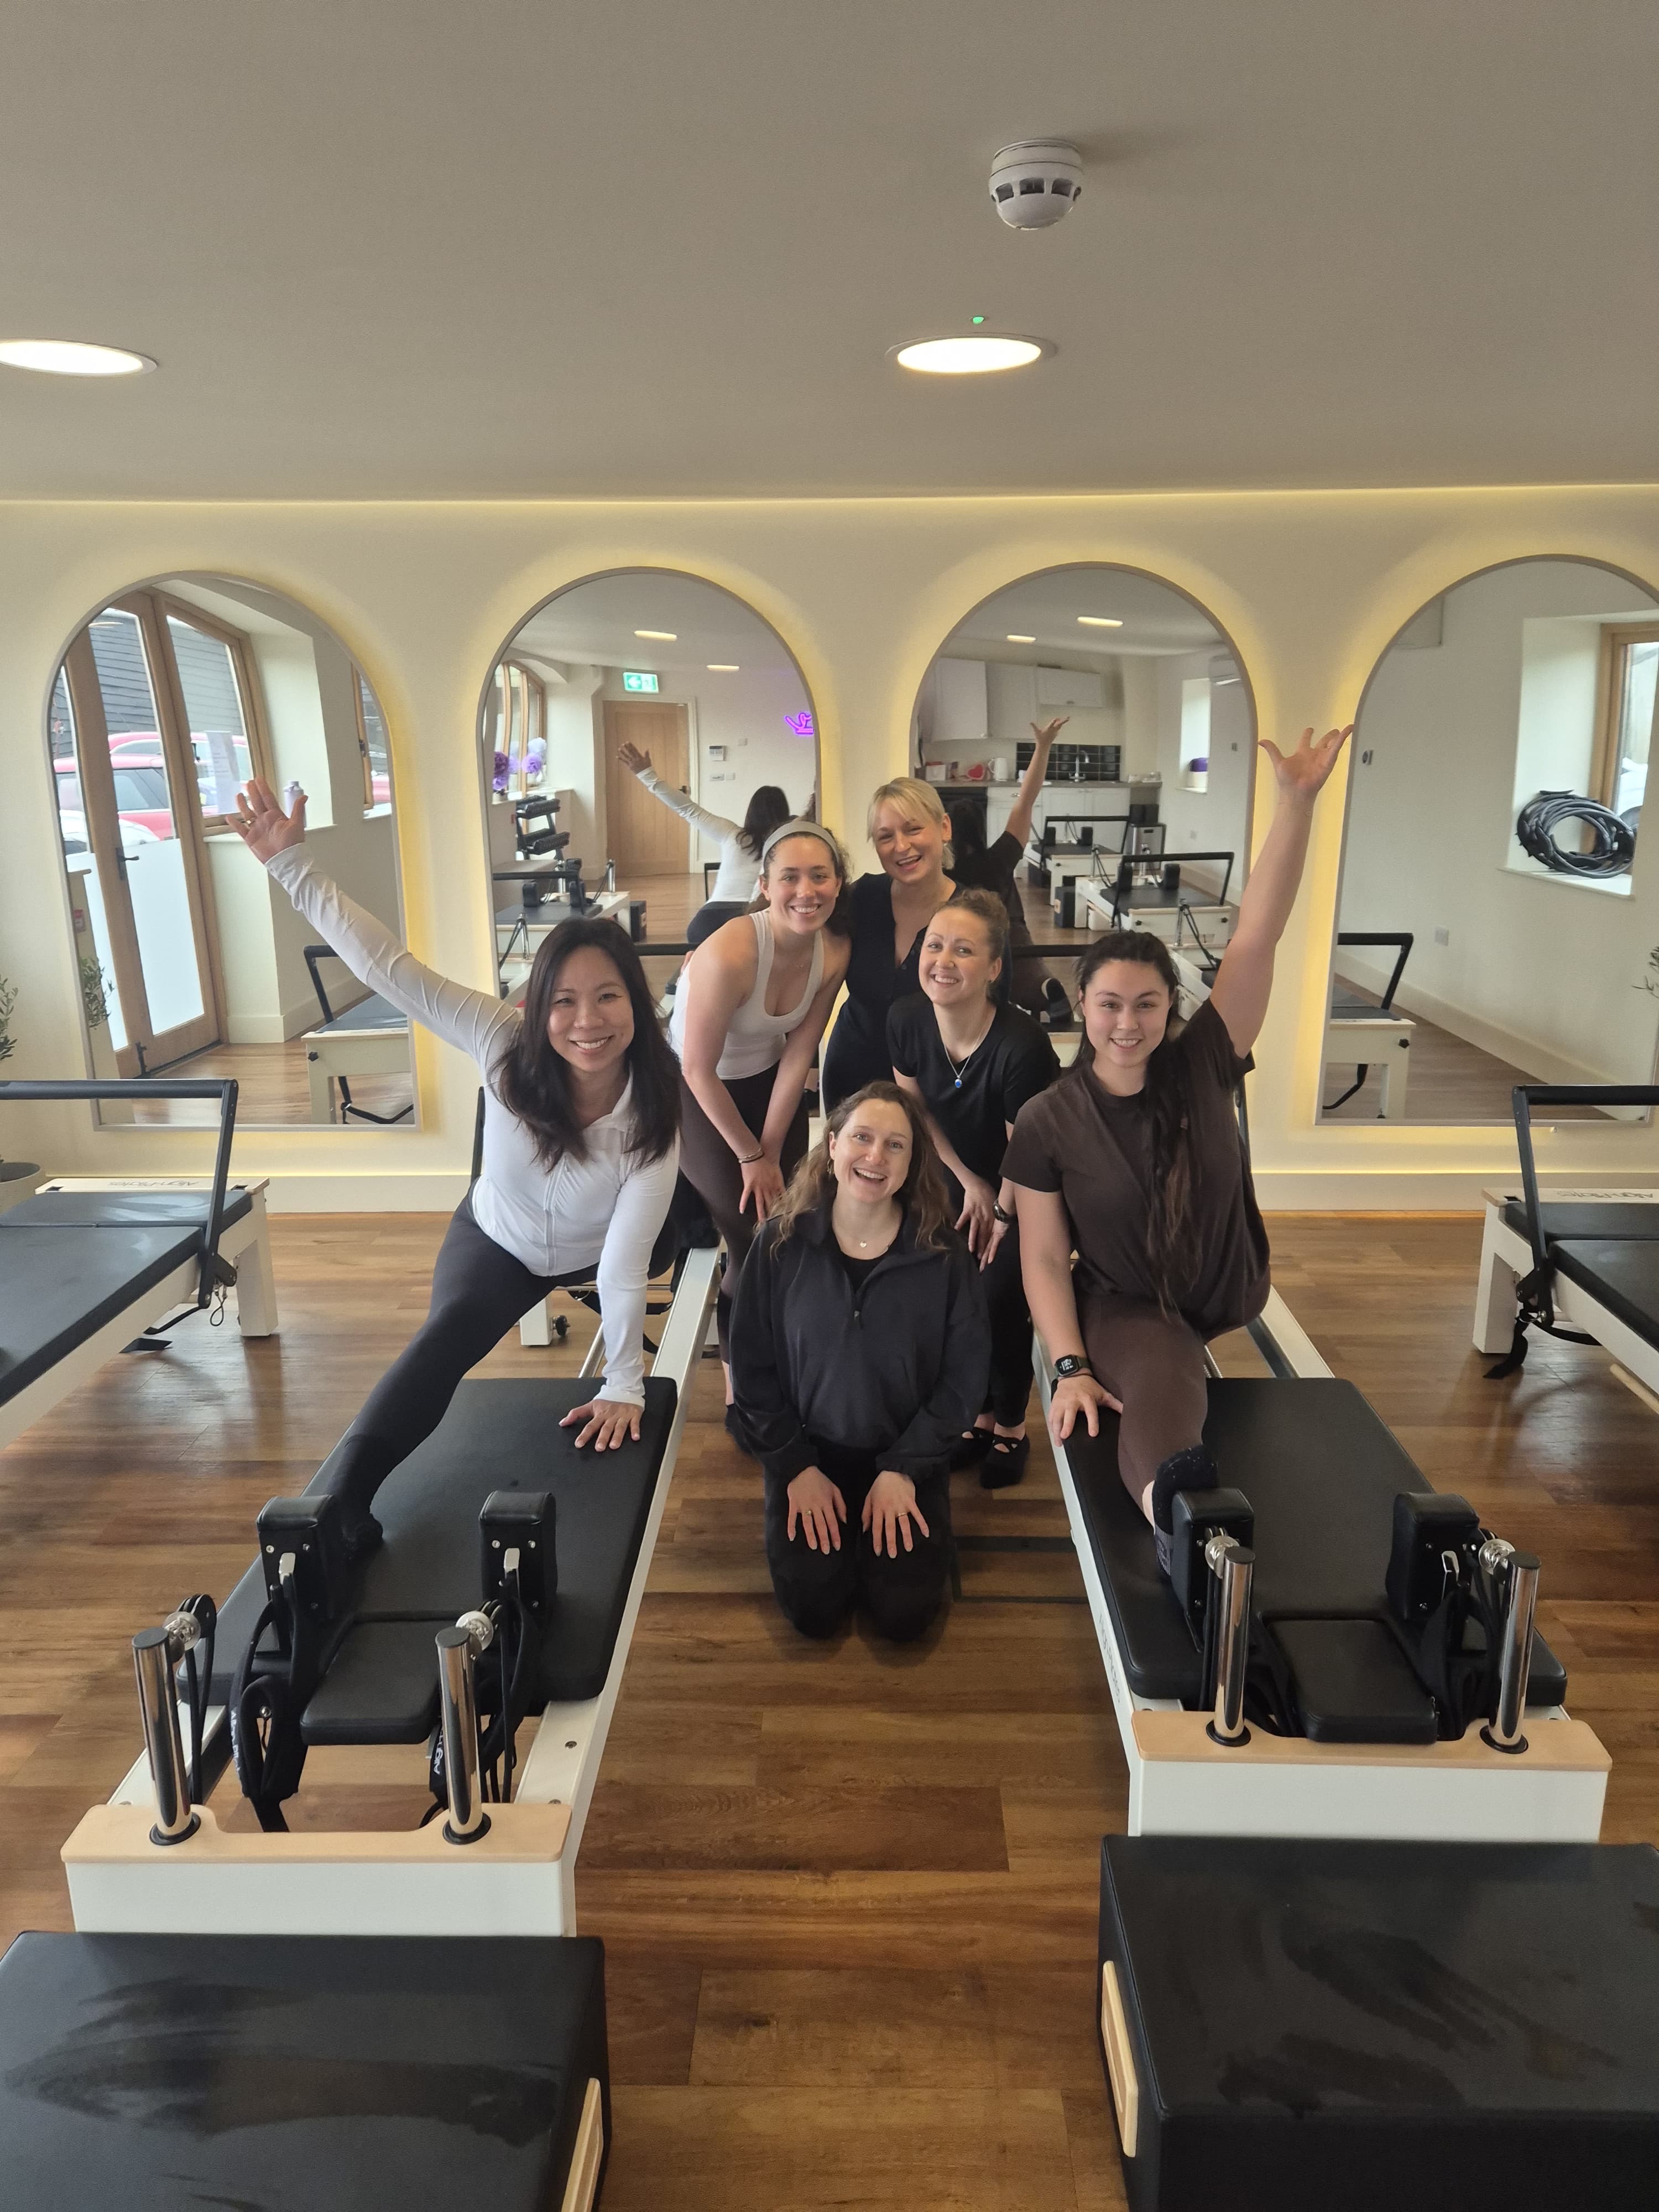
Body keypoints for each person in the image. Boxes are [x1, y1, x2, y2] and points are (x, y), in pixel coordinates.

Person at [229, 776, 682, 1555]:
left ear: (636, 1007)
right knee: (443, 1339)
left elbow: (623, 1265)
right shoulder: (500, 1038)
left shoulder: (654, 1110)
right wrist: (292, 866)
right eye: (565, 1001)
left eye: (608, 998)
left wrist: (622, 1382)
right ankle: (337, 1510)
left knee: (650, 1251)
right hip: (497, 1240)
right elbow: (387, 968)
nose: (586, 1022)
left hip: (596, 1247)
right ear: (538, 1008)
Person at [1004, 724, 1352, 1573]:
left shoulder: (1202, 1063)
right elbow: (1046, 1262)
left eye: (1148, 1005)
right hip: (1133, 1306)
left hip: (1226, 1284)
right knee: (1162, 1397)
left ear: (1171, 1007)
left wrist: (1297, 805)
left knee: (1177, 1372)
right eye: (1111, 1004)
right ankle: (1197, 1540)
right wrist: (1072, 1365)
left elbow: (1259, 934)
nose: (1129, 1024)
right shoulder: (1051, 1116)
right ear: (1081, 1006)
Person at [732, 1083, 990, 1644]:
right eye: (863, 1138)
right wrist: (793, 1466)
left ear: (912, 1163)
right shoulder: (779, 1242)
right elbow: (751, 1371)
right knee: (814, 1611)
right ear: (832, 1146)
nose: (876, 1157)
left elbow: (965, 1379)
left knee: (904, 1617)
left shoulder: (942, 1255)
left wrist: (905, 1468)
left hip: (904, 1457)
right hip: (809, 1454)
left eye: (896, 1146)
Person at [669, 820, 850, 1431]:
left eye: (819, 875)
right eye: (790, 877)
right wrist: (750, 1157)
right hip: (697, 1092)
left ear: (839, 881)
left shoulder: (836, 948)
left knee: (788, 1224)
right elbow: (696, 1068)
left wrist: (771, 1147)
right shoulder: (732, 950)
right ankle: (742, 1390)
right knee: (750, 1232)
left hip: (769, 1084)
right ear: (766, 885)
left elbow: (800, 1053)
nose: (807, 890)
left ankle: (781, 1360)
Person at [888, 890, 1058, 1486]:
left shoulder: (1022, 1046)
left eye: (964, 950)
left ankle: (1011, 1425)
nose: (944, 960)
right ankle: (977, 1416)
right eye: (935, 945)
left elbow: (1030, 1151)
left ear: (993, 968)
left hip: (1026, 1186)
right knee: (953, 1300)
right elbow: (913, 1107)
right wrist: (967, 1182)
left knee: (1000, 1296)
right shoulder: (907, 1018)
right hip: (955, 1176)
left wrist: (1002, 1214)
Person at [947, 717, 1069, 1020]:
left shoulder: (944, 874)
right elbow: (1025, 801)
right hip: (1016, 936)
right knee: (1030, 975)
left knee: (986, 982)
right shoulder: (1000, 857)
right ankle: (1043, 988)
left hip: (974, 943)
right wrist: (1043, 747)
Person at [615, 738, 790, 916]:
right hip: (754, 916)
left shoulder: (732, 834)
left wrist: (646, 774)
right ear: (784, 813)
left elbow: (687, 809)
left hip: (710, 917)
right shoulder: (786, 845)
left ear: (751, 811)